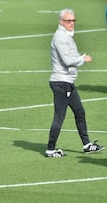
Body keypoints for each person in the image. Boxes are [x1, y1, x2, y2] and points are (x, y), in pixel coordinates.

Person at [45, 8, 105, 157]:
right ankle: (50, 149)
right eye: (68, 21)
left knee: (79, 112)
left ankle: (87, 144)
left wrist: (79, 56)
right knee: (59, 116)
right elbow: (67, 60)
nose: (71, 23)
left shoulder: (66, 36)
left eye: (73, 20)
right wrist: (83, 59)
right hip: (61, 82)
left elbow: (71, 56)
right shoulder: (60, 37)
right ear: (61, 21)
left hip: (67, 83)